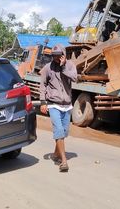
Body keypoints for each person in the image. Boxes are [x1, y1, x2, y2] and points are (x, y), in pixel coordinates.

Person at [39, 43, 77, 172]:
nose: (56, 58)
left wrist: (64, 67)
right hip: (53, 103)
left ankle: (56, 154)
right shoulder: (47, 68)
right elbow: (43, 85)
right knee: (59, 130)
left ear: (63, 55)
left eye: (58, 56)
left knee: (64, 133)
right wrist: (43, 102)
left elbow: (75, 78)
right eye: (54, 56)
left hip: (67, 105)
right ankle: (64, 161)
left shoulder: (71, 65)